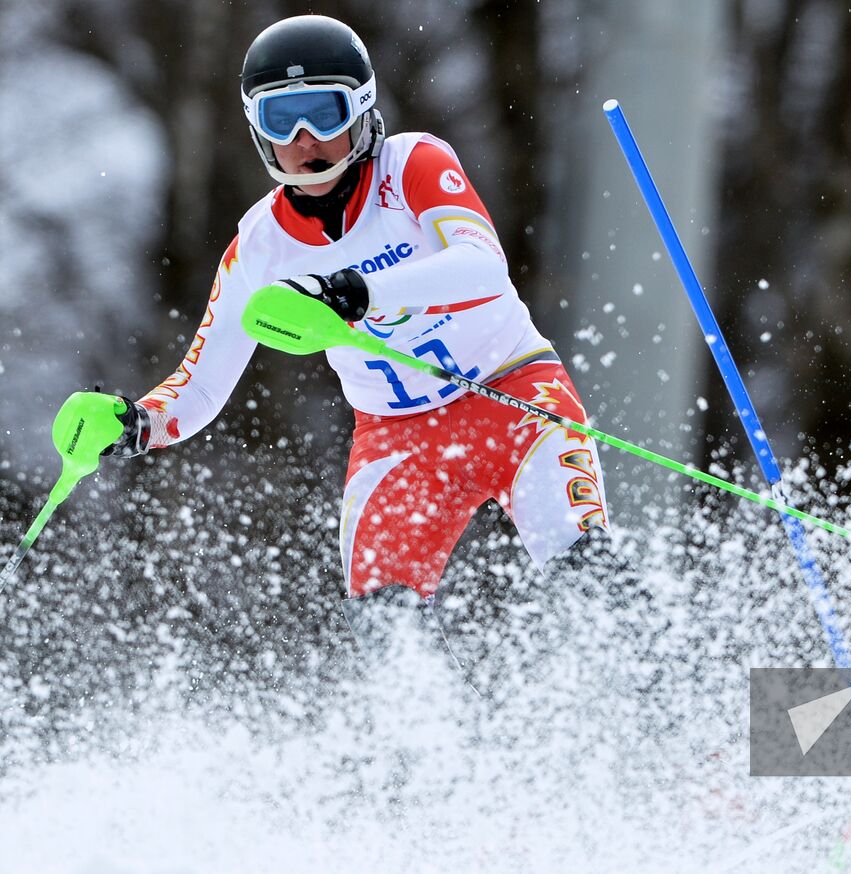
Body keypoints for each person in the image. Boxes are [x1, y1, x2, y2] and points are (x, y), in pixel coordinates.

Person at [93, 15, 620, 659]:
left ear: (364, 108)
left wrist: (356, 291)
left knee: (586, 573)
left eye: (324, 110)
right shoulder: (259, 245)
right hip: (396, 441)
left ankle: (694, 722)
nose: (306, 139)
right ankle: (416, 759)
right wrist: (136, 423)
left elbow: (483, 265)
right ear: (259, 130)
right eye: (282, 119)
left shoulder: (412, 165)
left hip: (512, 396)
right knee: (382, 638)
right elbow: (201, 385)